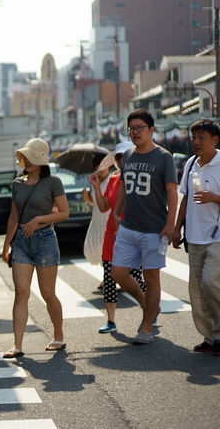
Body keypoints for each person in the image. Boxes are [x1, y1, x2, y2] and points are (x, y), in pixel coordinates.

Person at [172, 119, 220, 356]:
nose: (195, 141)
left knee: (210, 283)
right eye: (193, 136)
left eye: (201, 137)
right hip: (194, 236)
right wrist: (176, 228)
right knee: (196, 290)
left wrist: (215, 198)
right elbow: (185, 198)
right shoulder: (191, 163)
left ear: (215, 140)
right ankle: (209, 335)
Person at [112, 108, 178, 345]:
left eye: (140, 128)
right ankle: (147, 304)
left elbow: (172, 191)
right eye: (131, 128)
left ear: (151, 129)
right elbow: (122, 186)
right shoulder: (128, 155)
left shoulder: (163, 157)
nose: (135, 132)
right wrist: (115, 213)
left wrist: (170, 224)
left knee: (151, 278)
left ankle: (146, 327)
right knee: (118, 273)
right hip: (129, 226)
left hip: (154, 228)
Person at [1, 138, 69, 358]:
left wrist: (39, 219)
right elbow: (13, 216)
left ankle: (58, 335)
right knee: (21, 293)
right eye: (25, 157)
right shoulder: (17, 183)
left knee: (48, 293)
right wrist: (6, 245)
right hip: (21, 241)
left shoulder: (53, 183)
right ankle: (17, 345)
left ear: (42, 161)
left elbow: (64, 213)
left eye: (32, 157)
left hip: (45, 240)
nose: (27, 161)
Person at [88, 141, 148, 333]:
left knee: (135, 277)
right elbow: (104, 207)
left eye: (126, 156)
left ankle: (148, 311)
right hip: (111, 235)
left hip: (132, 234)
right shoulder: (113, 179)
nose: (122, 161)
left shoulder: (139, 178)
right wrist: (96, 187)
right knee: (109, 276)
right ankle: (111, 320)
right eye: (119, 157)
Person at [81, 154, 110, 267]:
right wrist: (86, 197)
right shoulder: (94, 181)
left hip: (107, 219)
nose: (102, 170)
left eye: (104, 167)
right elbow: (93, 202)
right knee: (95, 246)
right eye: (99, 167)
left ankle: (108, 277)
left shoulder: (112, 180)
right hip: (97, 219)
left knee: (106, 248)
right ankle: (107, 275)